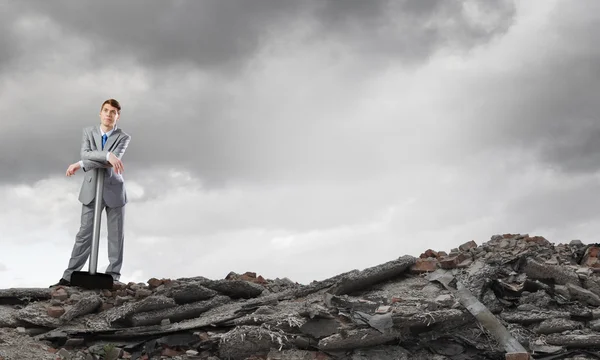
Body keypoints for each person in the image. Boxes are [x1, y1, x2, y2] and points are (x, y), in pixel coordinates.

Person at [51, 99, 131, 287]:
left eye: (113, 112)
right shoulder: (88, 132)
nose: (109, 114)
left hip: (114, 190)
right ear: (100, 113)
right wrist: (106, 155)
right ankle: (69, 277)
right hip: (91, 189)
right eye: (106, 110)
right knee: (84, 234)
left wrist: (80, 164)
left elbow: (110, 161)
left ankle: (113, 276)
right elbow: (86, 153)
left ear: (117, 116)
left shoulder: (124, 137)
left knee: (115, 235)